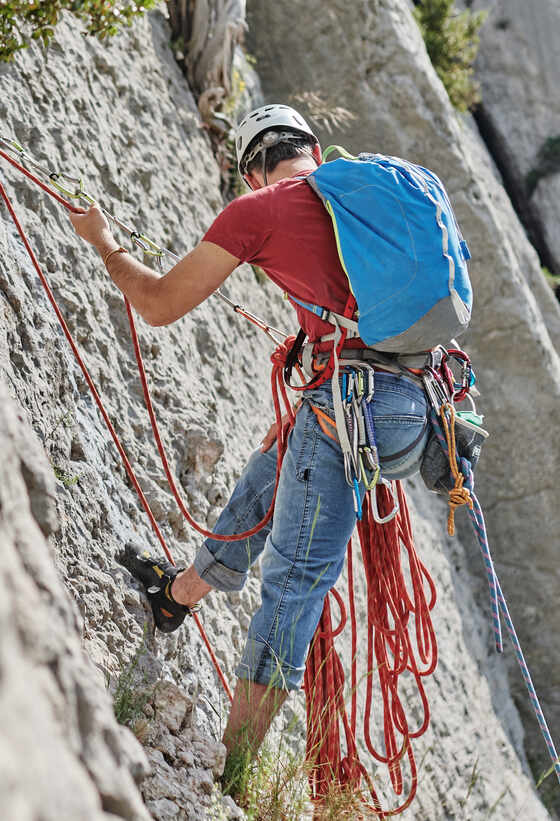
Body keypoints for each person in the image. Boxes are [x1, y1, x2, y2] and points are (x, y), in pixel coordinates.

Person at [67, 104, 430, 791]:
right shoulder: (358, 198)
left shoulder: (259, 209)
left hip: (351, 406)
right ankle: (177, 594)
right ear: (313, 149)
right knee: (272, 472)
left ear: (250, 171)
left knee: (293, 585)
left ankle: (231, 775)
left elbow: (159, 302)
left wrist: (104, 241)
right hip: (411, 404)